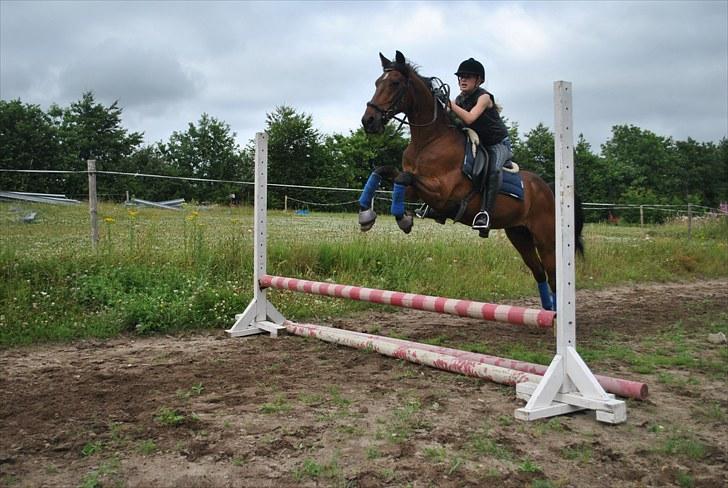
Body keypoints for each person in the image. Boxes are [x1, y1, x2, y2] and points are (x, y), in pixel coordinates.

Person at [449, 57, 512, 237]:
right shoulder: (460, 99)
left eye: (468, 76)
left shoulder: (484, 97)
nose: (463, 79)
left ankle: (485, 214)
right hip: (479, 143)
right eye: (461, 76)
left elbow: (469, 118)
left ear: (479, 80)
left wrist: (450, 105)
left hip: (498, 144)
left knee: (493, 171)